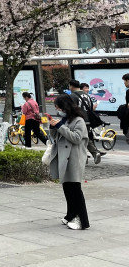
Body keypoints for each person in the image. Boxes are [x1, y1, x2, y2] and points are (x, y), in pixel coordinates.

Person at [48, 94, 89, 230]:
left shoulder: (79, 121)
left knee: (75, 190)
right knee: (67, 188)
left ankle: (82, 220)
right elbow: (55, 137)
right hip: (64, 157)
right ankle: (70, 215)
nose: (57, 109)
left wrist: (60, 126)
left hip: (74, 158)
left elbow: (76, 138)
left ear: (65, 106)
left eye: (58, 106)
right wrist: (53, 127)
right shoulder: (65, 119)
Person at [69, 80, 103, 163]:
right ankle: (92, 154)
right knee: (85, 138)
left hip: (78, 120)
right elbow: (91, 108)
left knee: (78, 139)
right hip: (88, 121)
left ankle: (86, 157)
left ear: (71, 86)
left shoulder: (72, 96)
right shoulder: (86, 95)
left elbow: (72, 109)